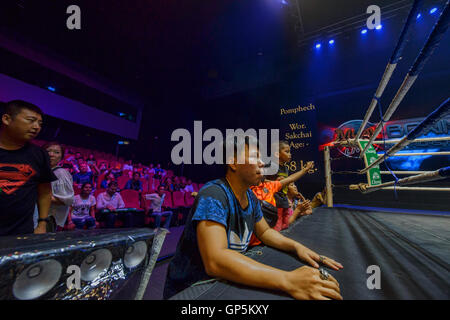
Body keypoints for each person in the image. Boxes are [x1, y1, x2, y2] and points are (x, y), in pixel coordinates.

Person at [163, 135, 343, 300]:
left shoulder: (250, 197)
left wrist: (296, 247)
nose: (262, 163)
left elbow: (264, 231)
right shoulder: (213, 194)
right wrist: (288, 279)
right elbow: (215, 261)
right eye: (255, 157)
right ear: (233, 163)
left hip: (224, 281)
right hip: (193, 290)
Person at [0, 100, 57, 236]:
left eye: (40, 123)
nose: (36, 127)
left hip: (20, 232)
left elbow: (44, 192)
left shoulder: (39, 154)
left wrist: (42, 224)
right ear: (7, 119)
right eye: (30, 120)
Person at [43, 142, 75, 231]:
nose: (51, 154)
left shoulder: (61, 173)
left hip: (48, 218)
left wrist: (37, 195)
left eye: (57, 152)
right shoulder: (42, 170)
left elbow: (67, 200)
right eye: (48, 151)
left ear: (61, 157)